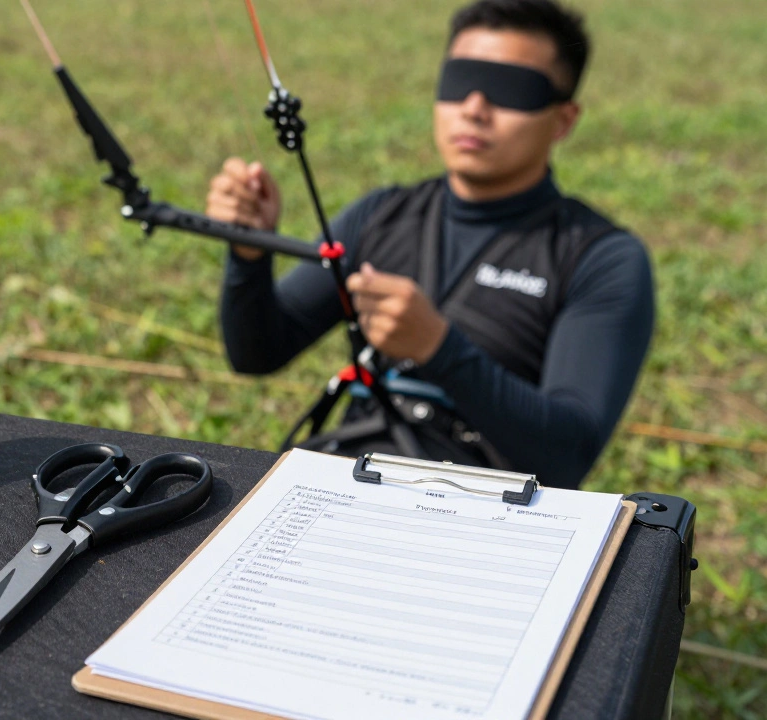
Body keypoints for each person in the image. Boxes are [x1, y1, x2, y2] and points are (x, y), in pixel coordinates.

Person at [207, 0, 653, 489]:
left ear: (563, 120)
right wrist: (249, 254)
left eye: (510, 91)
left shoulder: (601, 257)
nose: (474, 108)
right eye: (460, 82)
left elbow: (566, 456)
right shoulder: (380, 215)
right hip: (346, 480)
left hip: (484, 512)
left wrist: (439, 348)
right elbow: (257, 353)